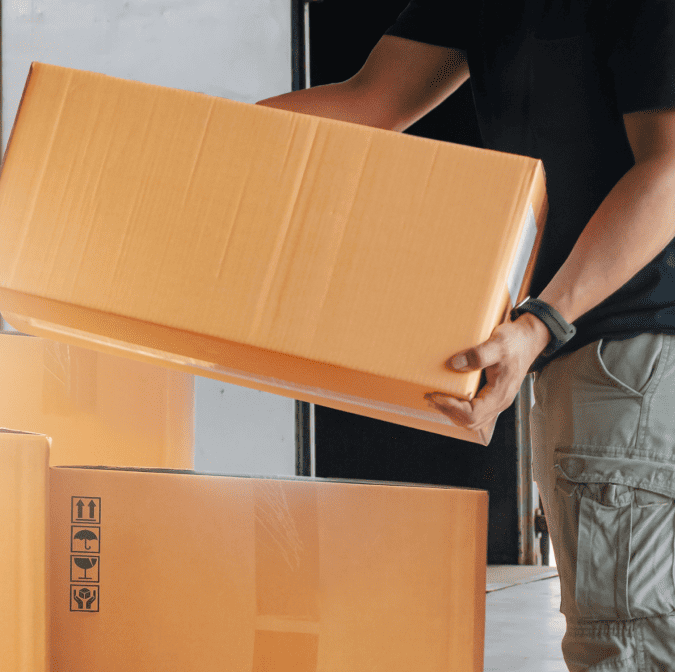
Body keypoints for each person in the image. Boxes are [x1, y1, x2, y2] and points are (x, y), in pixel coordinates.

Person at [257, 1, 675, 669]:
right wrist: (179, 139)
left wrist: (540, 322)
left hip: (637, 351)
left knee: (627, 642)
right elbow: (372, 100)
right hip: (591, 349)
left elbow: (669, 170)